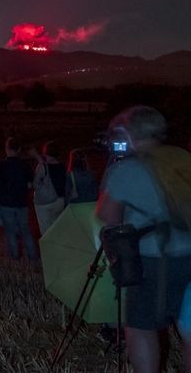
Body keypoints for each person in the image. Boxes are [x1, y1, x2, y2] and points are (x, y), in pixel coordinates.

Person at [96, 106, 191, 373]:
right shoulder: (182, 157)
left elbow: (107, 215)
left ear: (128, 133)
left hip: (155, 260)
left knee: (141, 326)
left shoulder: (128, 168)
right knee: (189, 327)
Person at [0, 138, 38, 262]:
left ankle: (15, 257)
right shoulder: (25, 165)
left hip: (5, 203)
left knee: (10, 231)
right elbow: (30, 185)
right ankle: (33, 257)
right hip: (22, 202)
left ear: (6, 149)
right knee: (25, 229)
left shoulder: (0, 165)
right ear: (19, 150)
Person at [32, 141, 67, 235]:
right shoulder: (63, 166)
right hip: (60, 201)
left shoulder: (43, 167)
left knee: (46, 231)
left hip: (46, 203)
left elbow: (35, 184)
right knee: (58, 228)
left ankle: (49, 248)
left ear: (45, 153)